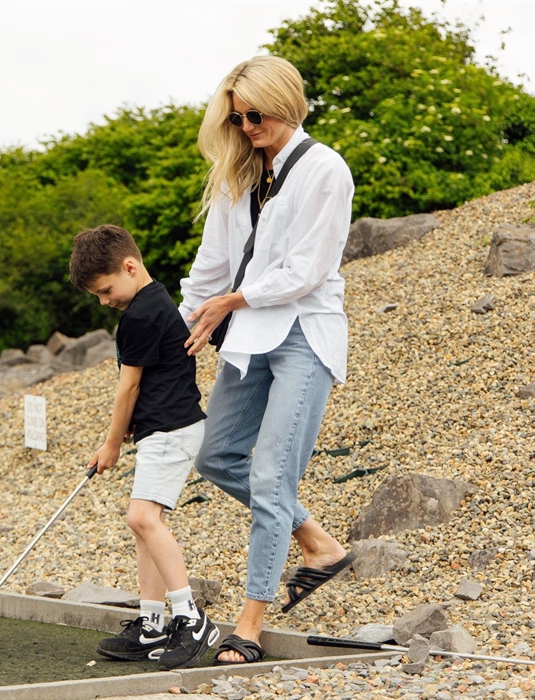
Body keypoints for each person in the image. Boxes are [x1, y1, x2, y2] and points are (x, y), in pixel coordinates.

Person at [178, 55, 356, 665]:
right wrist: (186, 320)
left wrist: (235, 298)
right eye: (237, 118)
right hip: (249, 336)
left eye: (255, 114)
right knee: (218, 456)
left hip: (304, 333)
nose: (247, 126)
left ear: (286, 102)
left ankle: (249, 626)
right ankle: (319, 544)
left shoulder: (325, 169)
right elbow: (211, 266)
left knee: (272, 479)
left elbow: (309, 269)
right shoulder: (241, 177)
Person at [69, 224, 219, 670]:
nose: (104, 300)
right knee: (144, 523)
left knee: (142, 516)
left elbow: (127, 388)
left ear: (129, 267)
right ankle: (152, 621)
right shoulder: (153, 304)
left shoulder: (138, 317)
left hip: (172, 429)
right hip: (162, 427)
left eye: (106, 289)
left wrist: (111, 443)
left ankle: (191, 619)